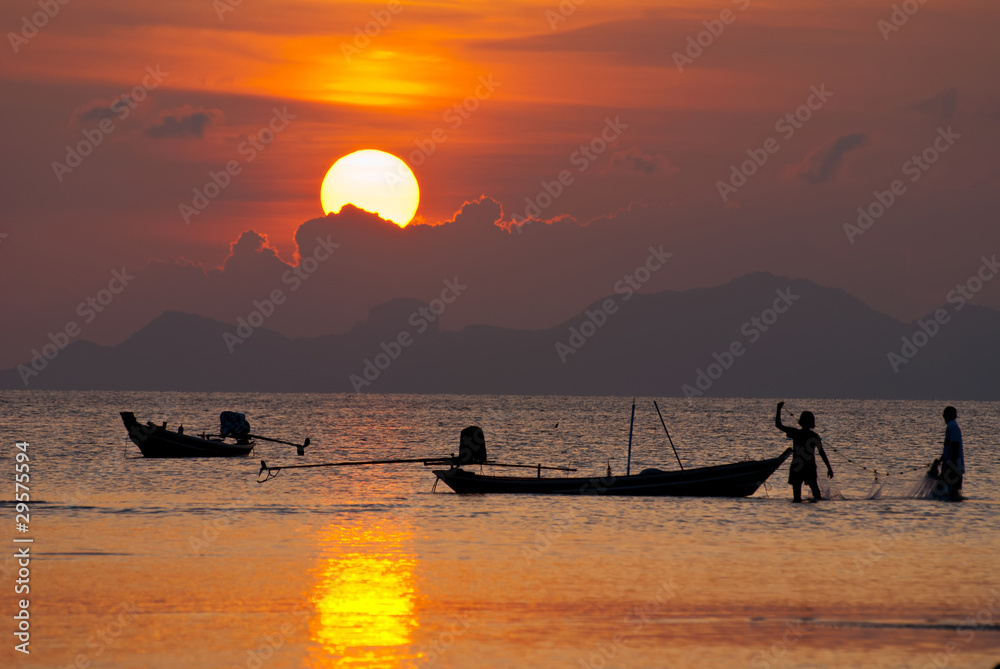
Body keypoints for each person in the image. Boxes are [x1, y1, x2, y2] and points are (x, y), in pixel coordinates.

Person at [774, 401, 833, 502]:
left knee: (797, 495)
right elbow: (822, 452)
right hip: (809, 467)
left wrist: (779, 409)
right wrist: (829, 468)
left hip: (797, 467)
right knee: (815, 491)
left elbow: (778, 425)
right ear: (812, 423)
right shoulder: (814, 436)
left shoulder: (796, 433)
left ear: (801, 421)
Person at [934, 406, 964, 501]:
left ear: (951, 416)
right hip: (952, 466)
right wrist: (941, 460)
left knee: (943, 493)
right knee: (947, 493)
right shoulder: (951, 426)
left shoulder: (952, 426)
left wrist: (951, 465)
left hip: (953, 467)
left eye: (945, 415)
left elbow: (955, 447)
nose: (944, 417)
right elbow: (948, 448)